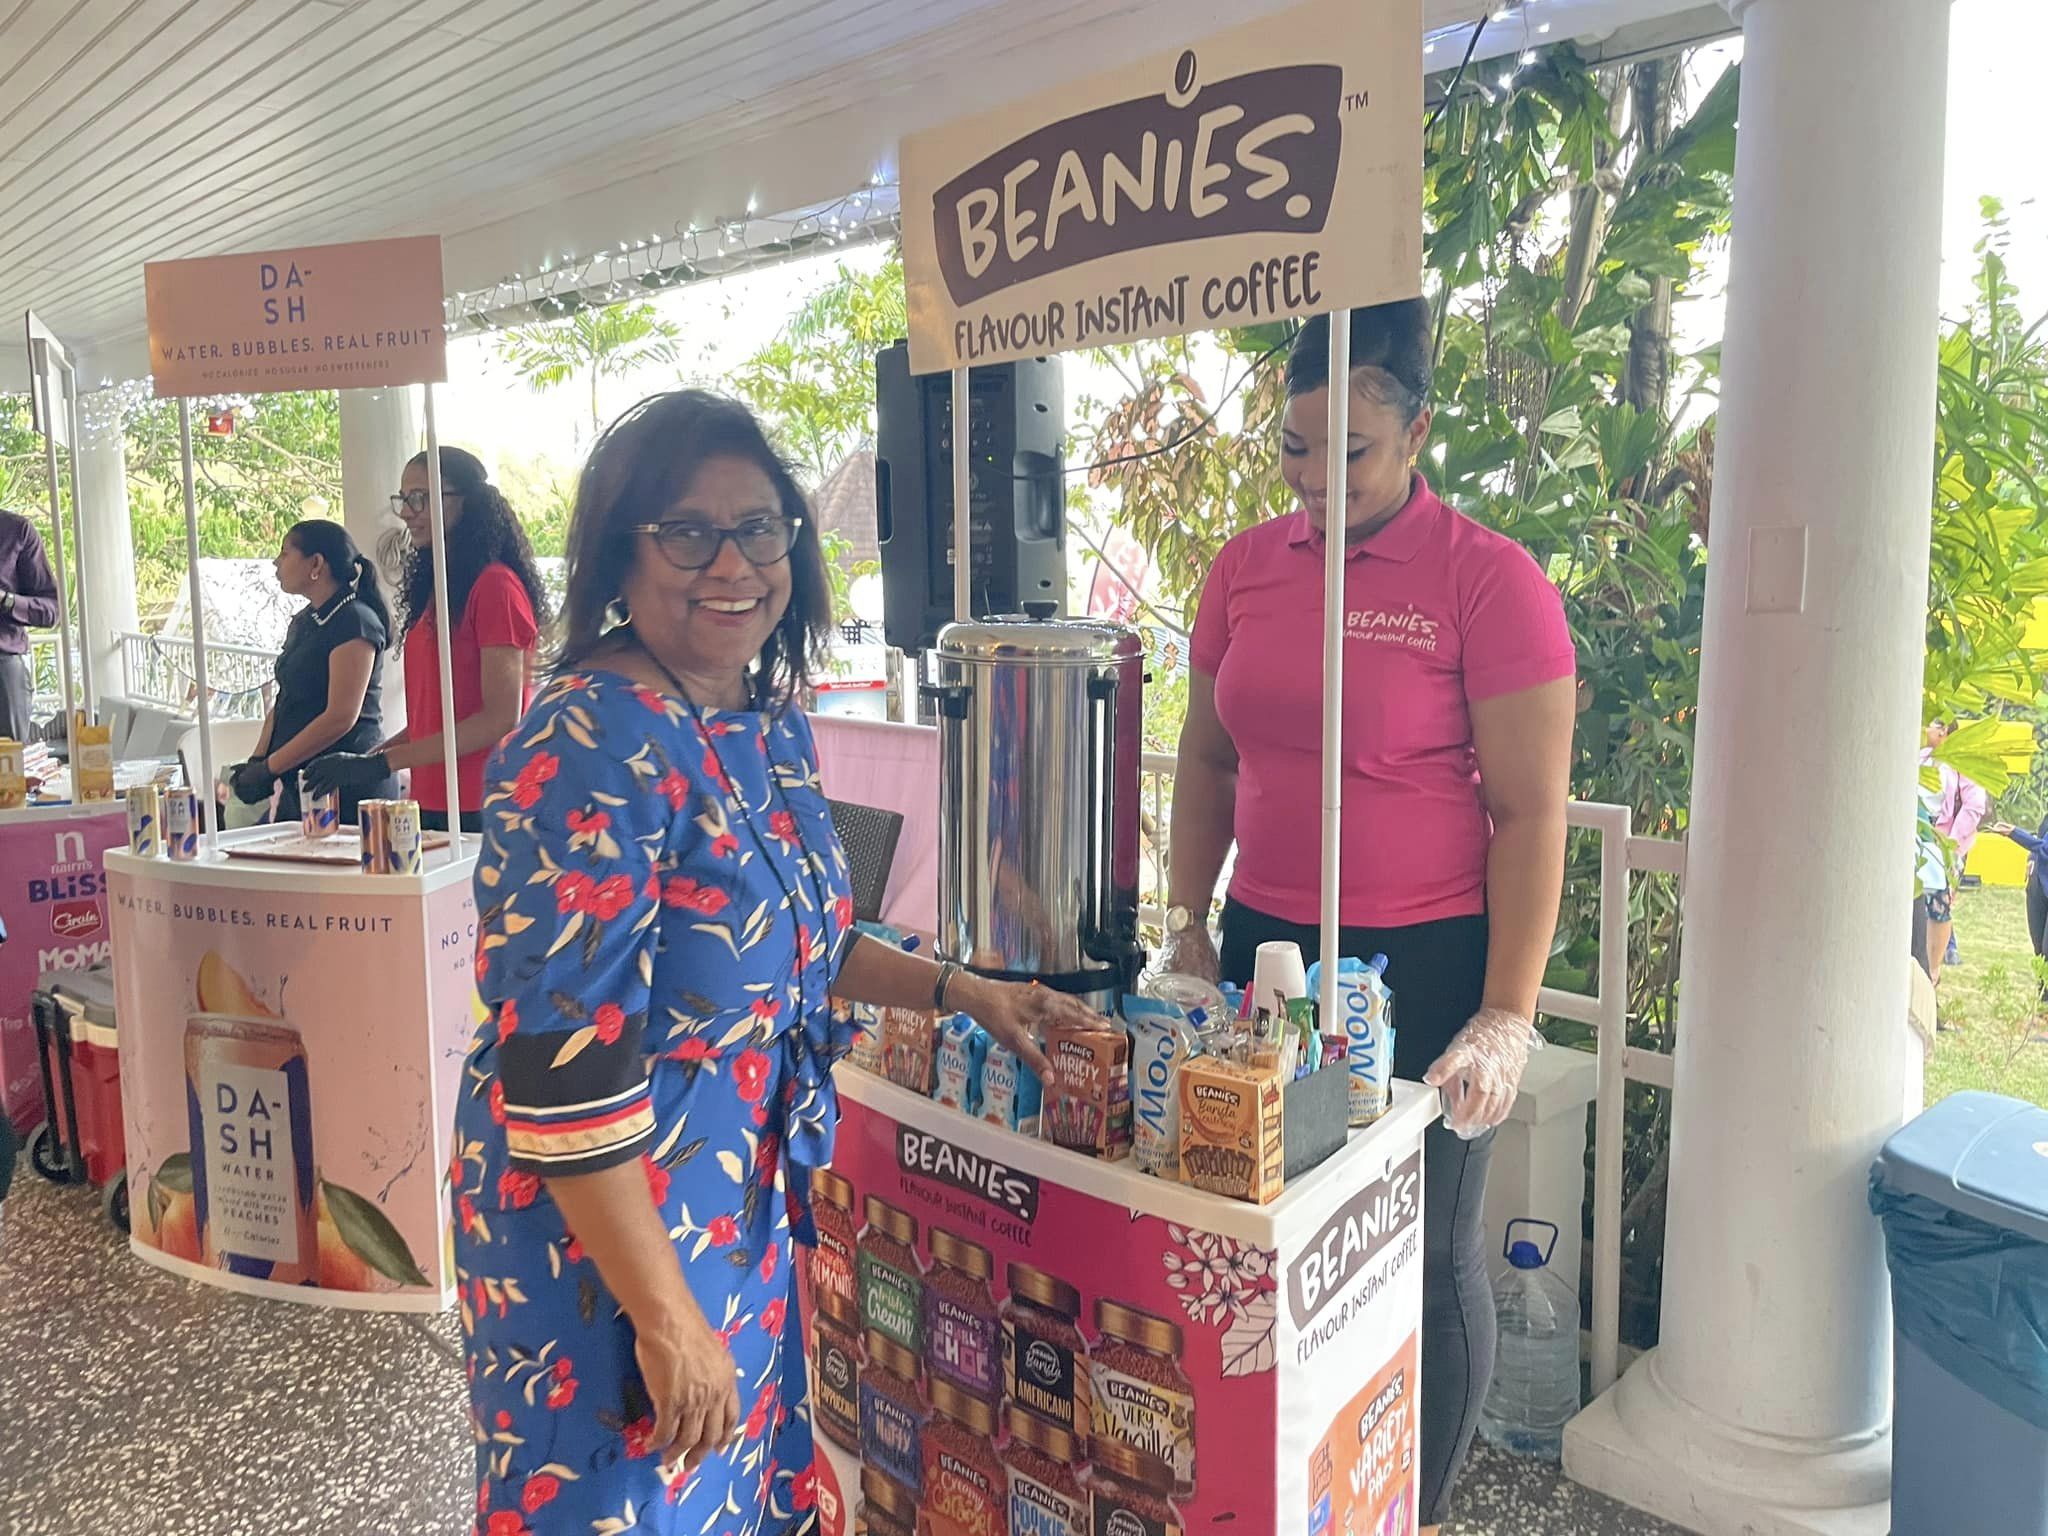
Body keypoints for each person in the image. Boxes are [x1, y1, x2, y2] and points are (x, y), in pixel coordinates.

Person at [454, 390, 1108, 1534]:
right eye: (686, 532)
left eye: (758, 528)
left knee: (730, 1494)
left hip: (732, 1201)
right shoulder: (586, 742)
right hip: (605, 1234)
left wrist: (961, 991)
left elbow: (793, 943)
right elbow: (561, 1074)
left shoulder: (764, 722)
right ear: (619, 552)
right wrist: (663, 1316)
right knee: (624, 1502)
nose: (732, 564)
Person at [1161, 301, 1576, 1532]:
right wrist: (1187, 920)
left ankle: (1421, 1508)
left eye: (1346, 450)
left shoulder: (1485, 579)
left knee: (1423, 1244)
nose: (1312, 476)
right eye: (1293, 447)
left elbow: (1529, 813)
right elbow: (1206, 763)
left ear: (1415, 432)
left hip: (1426, 964)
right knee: (1266, 1216)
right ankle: (1299, 1489)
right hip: (1263, 950)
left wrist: (1505, 1013)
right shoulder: (1243, 569)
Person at [305, 448, 547, 833]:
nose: (406, 512)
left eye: (420, 497)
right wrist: (370, 759)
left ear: (466, 501)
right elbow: (432, 720)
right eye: (403, 498)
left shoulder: (495, 587)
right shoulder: (438, 591)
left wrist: (383, 763)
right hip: (432, 801)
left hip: (485, 804)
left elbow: (501, 718)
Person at [229, 521, 395, 822]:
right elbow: (285, 698)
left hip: (345, 783)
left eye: (285, 553)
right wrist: (258, 759)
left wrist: (270, 767)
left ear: (316, 563)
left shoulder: (355, 621)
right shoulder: (307, 620)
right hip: (302, 781)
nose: (276, 562)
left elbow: (340, 717)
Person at [1922, 720, 1986, 972]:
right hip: (1920, 834)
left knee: (1940, 899)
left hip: (1947, 841)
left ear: (1943, 731)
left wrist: (1950, 843)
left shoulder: (1961, 762)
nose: (1924, 729)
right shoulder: (1921, 757)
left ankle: (1939, 960)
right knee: (1921, 898)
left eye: (1930, 725)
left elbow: (1974, 806)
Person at [0, 508, 61, 742]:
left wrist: (7, 600)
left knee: (8, 759)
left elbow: (53, 609)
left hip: (3, 665)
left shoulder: (16, 530)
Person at [1985, 814, 2048, 995]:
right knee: (2039, 948)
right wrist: (2031, 858)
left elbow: (2045, 848)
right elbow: (2042, 839)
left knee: (2047, 950)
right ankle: (2042, 998)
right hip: (2038, 885)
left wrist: (2015, 833)